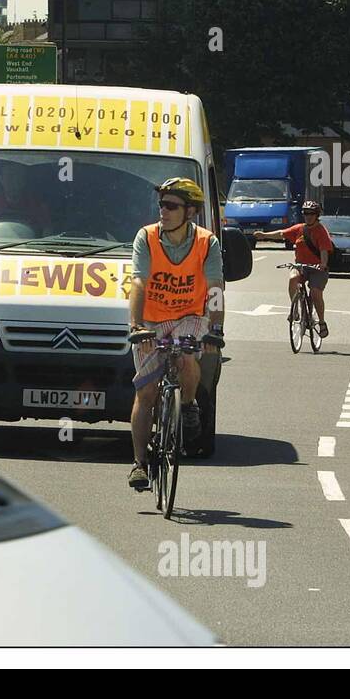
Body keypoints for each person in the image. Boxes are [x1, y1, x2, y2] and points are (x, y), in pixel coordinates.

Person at [126, 177, 226, 491]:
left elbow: (215, 288)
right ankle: (139, 464)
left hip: (190, 316)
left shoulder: (206, 242)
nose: (163, 211)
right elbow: (138, 282)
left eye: (171, 206)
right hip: (151, 321)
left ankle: (188, 405)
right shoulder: (147, 237)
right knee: (146, 393)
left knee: (185, 351)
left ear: (190, 212)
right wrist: (136, 325)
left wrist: (216, 329)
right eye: (161, 204)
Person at [253, 199, 333, 338]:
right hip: (301, 265)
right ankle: (295, 309)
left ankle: (321, 322)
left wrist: (323, 264)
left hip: (317, 268)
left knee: (315, 292)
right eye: (305, 213)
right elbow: (281, 233)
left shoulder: (321, 231)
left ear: (316, 215)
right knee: (292, 279)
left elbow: (324, 250)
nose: (308, 216)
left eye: (311, 213)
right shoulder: (299, 229)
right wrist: (264, 235)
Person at [0, 163, 50, 233]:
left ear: (23, 180)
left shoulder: (36, 205)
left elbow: (47, 231)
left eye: (18, 176)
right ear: (1, 179)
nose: (14, 181)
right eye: (10, 176)